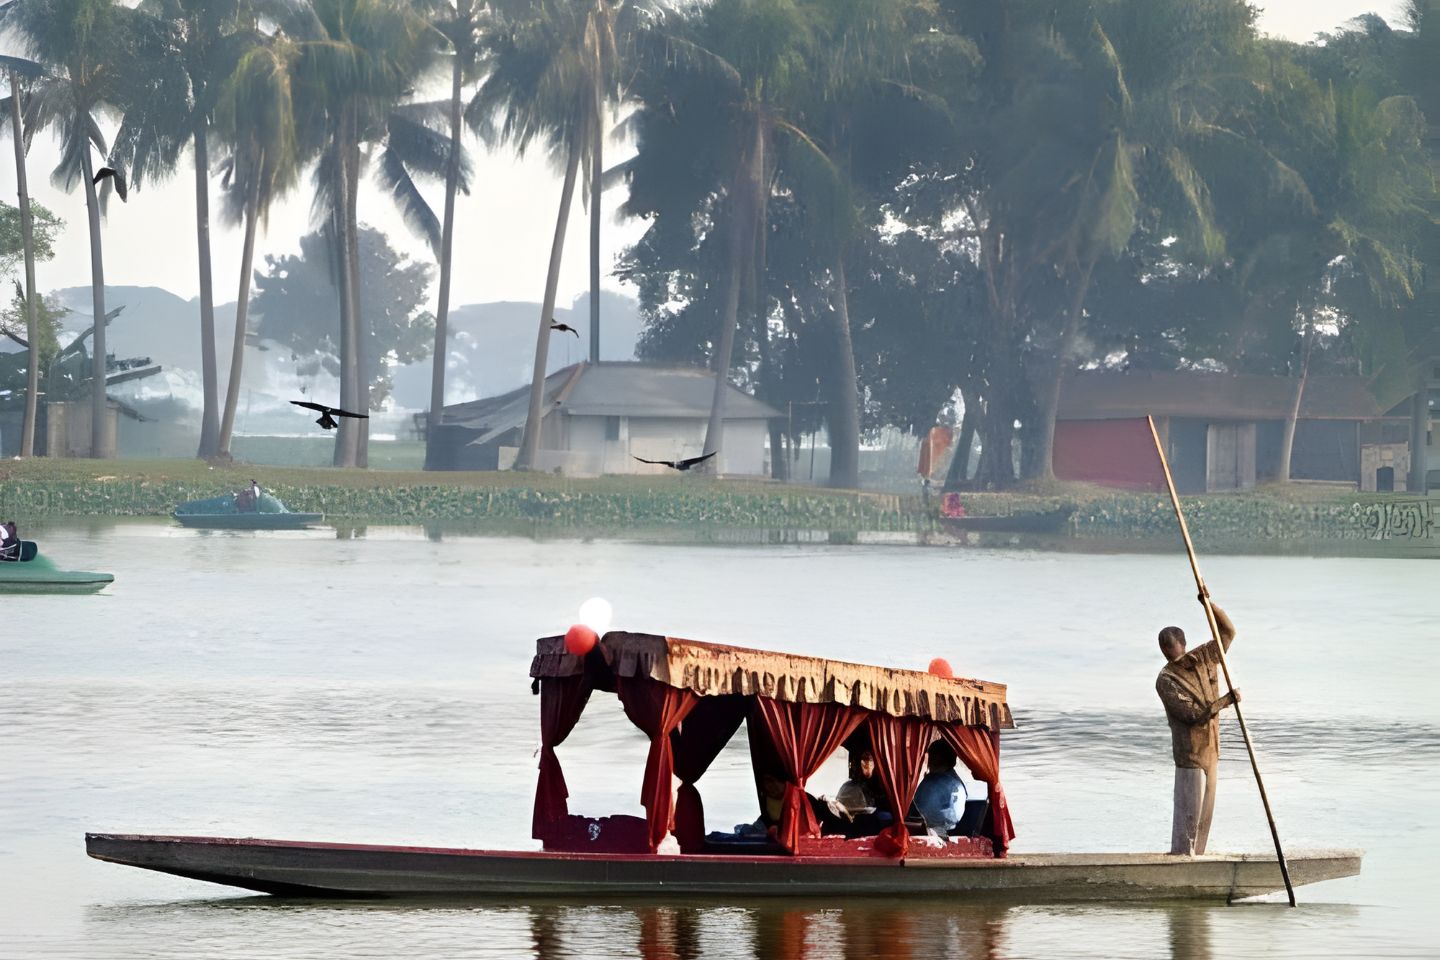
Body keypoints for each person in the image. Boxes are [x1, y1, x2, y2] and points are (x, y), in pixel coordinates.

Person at [1156, 591, 1241, 855]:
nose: (1169, 652)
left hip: (1211, 752)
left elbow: (1228, 632)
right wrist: (1225, 701)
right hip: (1190, 758)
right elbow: (1191, 715)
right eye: (1166, 649)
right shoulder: (1166, 679)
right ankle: (1182, 858)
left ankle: (1198, 860)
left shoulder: (1205, 656)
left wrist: (1208, 604)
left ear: (1181, 643)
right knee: (1187, 825)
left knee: (1205, 821)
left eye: (1171, 646)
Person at [914, 741, 968, 835]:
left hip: (940, 832)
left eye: (934, 757)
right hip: (923, 827)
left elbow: (952, 816)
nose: (930, 761)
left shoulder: (954, 786)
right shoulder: (932, 778)